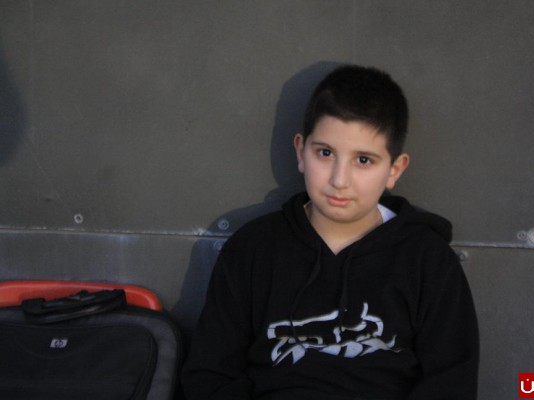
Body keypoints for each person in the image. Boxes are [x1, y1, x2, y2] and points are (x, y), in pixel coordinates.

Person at [181, 65, 479, 399]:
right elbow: (210, 375)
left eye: (363, 160)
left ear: (394, 169)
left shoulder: (428, 260)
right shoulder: (251, 250)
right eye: (325, 153)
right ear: (301, 152)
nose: (339, 179)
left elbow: (451, 384)